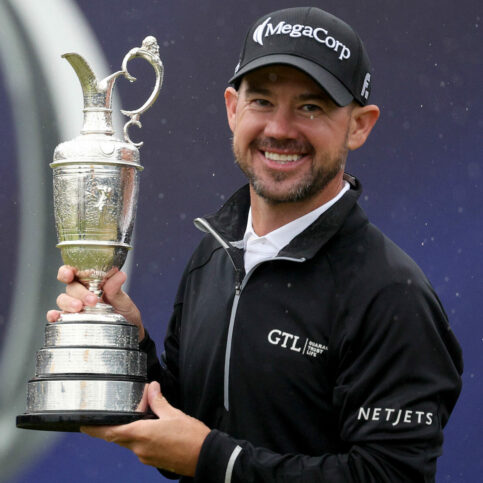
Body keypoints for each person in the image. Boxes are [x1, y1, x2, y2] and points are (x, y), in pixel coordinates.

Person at [47, 7, 463, 482]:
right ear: (232, 108)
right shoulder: (214, 254)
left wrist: (216, 461)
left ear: (359, 125)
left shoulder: (392, 294)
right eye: (262, 101)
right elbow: (186, 426)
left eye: (311, 107)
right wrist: (128, 343)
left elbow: (391, 475)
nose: (280, 129)